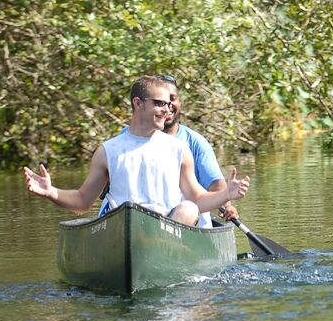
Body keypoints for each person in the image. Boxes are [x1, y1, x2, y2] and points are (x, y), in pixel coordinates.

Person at [24, 76, 250, 226]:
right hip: (123, 229)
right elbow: (83, 201)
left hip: (167, 232)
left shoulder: (179, 149)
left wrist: (227, 194)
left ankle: (163, 260)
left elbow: (198, 199)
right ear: (138, 103)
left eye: (169, 105)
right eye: (159, 104)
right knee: (128, 213)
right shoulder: (108, 151)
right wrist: (51, 191)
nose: (167, 110)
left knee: (189, 208)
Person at [98, 74, 237, 227]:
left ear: (180, 102)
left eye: (172, 99)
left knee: (189, 208)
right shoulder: (125, 139)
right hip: (139, 219)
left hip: (183, 220)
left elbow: (216, 184)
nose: (167, 106)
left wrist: (227, 203)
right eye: (159, 102)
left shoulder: (193, 142)